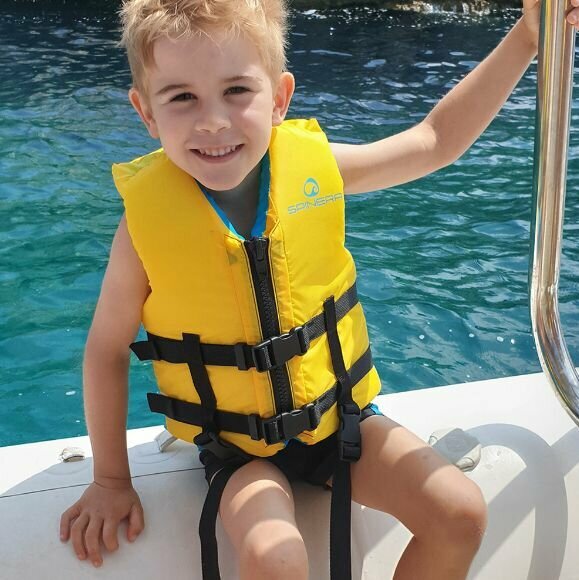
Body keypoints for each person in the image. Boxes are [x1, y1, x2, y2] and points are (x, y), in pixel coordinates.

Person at [59, 0, 579, 578]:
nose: (212, 121)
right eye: (182, 97)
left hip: (342, 426)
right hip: (238, 451)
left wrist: (528, 36)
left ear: (279, 98)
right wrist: (111, 480)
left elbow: (434, 141)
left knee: (459, 512)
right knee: (274, 555)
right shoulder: (143, 229)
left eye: (237, 90)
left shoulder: (316, 168)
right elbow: (106, 349)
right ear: (146, 113)